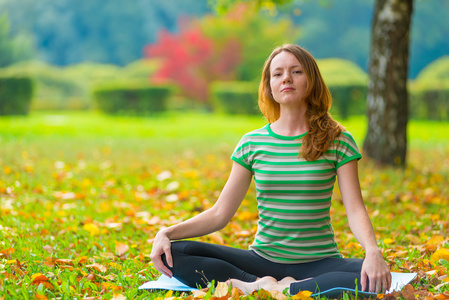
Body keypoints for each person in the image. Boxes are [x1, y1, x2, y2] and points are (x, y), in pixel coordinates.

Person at [150, 44, 391, 296]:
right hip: (261, 261)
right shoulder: (252, 143)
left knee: (372, 274)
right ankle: (255, 285)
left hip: (319, 262)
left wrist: (372, 251)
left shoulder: (337, 139)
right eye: (277, 74)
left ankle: (287, 288)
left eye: (296, 71)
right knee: (176, 253)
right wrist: (166, 232)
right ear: (269, 87)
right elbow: (220, 213)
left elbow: (354, 209)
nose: (286, 78)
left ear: (312, 80)